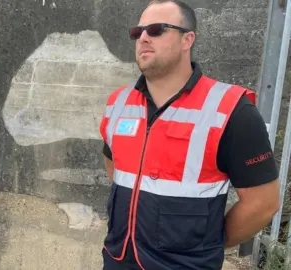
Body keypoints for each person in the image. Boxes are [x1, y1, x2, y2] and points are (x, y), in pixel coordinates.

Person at [99, 1, 280, 269]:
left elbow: (263, 204)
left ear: (188, 39)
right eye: (138, 32)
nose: (144, 37)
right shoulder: (119, 102)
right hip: (117, 259)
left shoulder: (232, 110)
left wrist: (207, 243)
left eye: (157, 29)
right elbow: (115, 166)